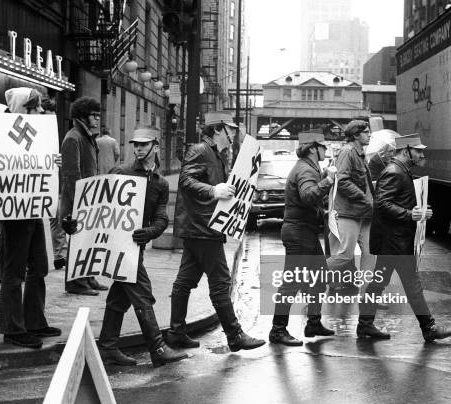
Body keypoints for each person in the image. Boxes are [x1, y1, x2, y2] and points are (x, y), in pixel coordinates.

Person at [69, 125, 186, 367]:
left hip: (136, 245)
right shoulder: (120, 172)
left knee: (119, 298)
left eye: (144, 144)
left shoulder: (160, 183)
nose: (139, 148)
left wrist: (151, 231)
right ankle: (157, 347)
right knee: (142, 294)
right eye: (136, 144)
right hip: (116, 245)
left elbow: (162, 217)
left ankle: (108, 347)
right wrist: (74, 222)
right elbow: (96, 203)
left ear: (156, 146)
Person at [167, 111, 265, 352]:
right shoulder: (200, 150)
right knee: (220, 282)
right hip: (202, 228)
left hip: (201, 227)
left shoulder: (215, 154)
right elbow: (185, 181)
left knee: (185, 281)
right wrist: (213, 190)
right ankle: (234, 335)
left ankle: (176, 332)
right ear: (218, 129)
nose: (233, 133)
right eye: (230, 128)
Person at [357, 134, 451, 341]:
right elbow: (382, 203)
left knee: (379, 284)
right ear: (406, 151)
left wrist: (417, 209)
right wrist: (410, 214)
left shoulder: (400, 170)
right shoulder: (394, 171)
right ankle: (428, 328)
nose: (422, 154)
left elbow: (394, 201)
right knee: (411, 284)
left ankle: (365, 325)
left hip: (393, 241)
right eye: (418, 151)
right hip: (394, 242)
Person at [0, 87, 62, 348]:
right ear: (22, 109)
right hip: (12, 215)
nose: (41, 111)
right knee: (13, 272)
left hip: (32, 211)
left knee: (40, 266)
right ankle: (13, 328)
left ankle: (34, 320)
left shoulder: (41, 136)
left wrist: (53, 163)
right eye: (35, 107)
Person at [269, 130, 337, 345]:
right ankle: (278, 330)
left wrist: (325, 214)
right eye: (323, 146)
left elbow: (306, 203)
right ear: (313, 148)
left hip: (304, 231)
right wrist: (327, 181)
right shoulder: (306, 170)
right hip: (298, 233)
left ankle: (313, 322)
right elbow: (308, 196)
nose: (326, 149)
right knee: (292, 282)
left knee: (320, 277)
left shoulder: (309, 167)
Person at [59, 97, 107, 295]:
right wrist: (80, 202)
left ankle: (88, 277)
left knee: (89, 240)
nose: (97, 119)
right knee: (79, 241)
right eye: (93, 115)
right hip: (78, 199)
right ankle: (76, 282)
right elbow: (72, 175)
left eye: (98, 115)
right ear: (81, 117)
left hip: (88, 196)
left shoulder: (84, 135)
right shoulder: (73, 137)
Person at [327, 120, 376, 294]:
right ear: (356, 135)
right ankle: (314, 276)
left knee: (370, 255)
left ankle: (366, 295)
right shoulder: (347, 153)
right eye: (366, 132)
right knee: (345, 255)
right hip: (349, 213)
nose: (369, 135)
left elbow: (360, 182)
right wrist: (365, 198)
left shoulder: (361, 154)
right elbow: (343, 181)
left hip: (364, 214)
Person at [41, 97, 68, 271]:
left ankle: (60, 255)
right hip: (30, 188)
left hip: (51, 184)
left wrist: (59, 161)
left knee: (57, 217)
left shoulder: (52, 134)